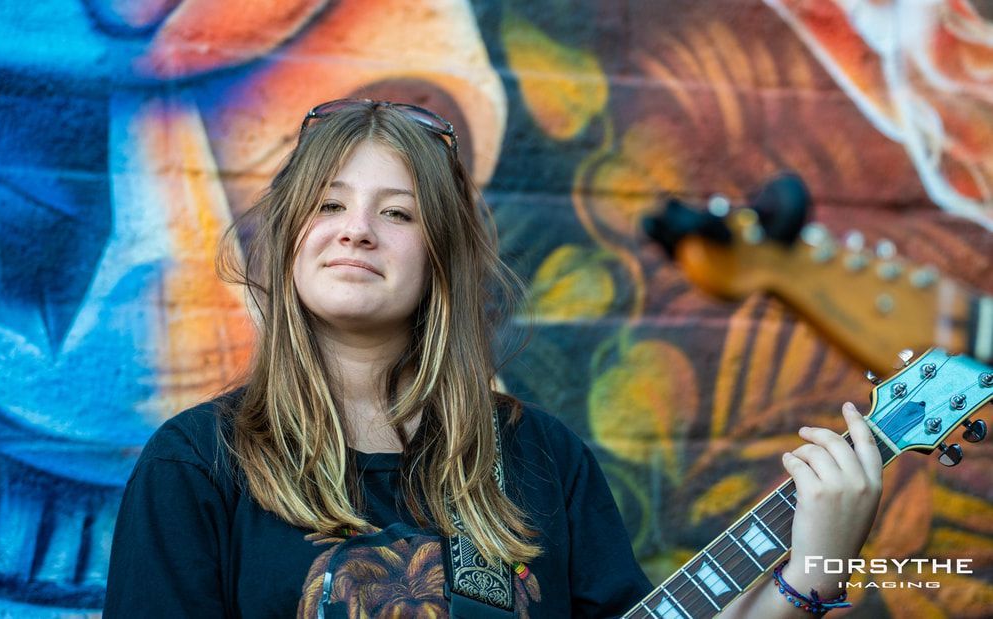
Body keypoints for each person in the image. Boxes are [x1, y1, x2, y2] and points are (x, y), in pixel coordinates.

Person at [103, 99, 881, 618]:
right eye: (330, 204)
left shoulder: (540, 459)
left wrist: (810, 570)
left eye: (398, 212)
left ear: (440, 257)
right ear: (289, 239)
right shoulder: (198, 465)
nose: (357, 230)